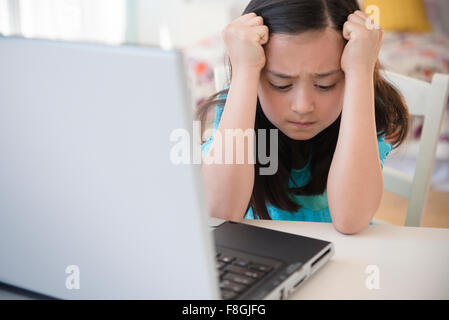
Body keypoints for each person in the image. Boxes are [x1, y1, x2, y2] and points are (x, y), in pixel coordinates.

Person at [195, 0, 409, 234]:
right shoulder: (237, 106)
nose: (303, 106)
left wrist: (361, 70)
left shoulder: (364, 104)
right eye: (281, 84)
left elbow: (351, 220)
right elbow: (220, 213)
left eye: (325, 85)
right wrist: (245, 70)